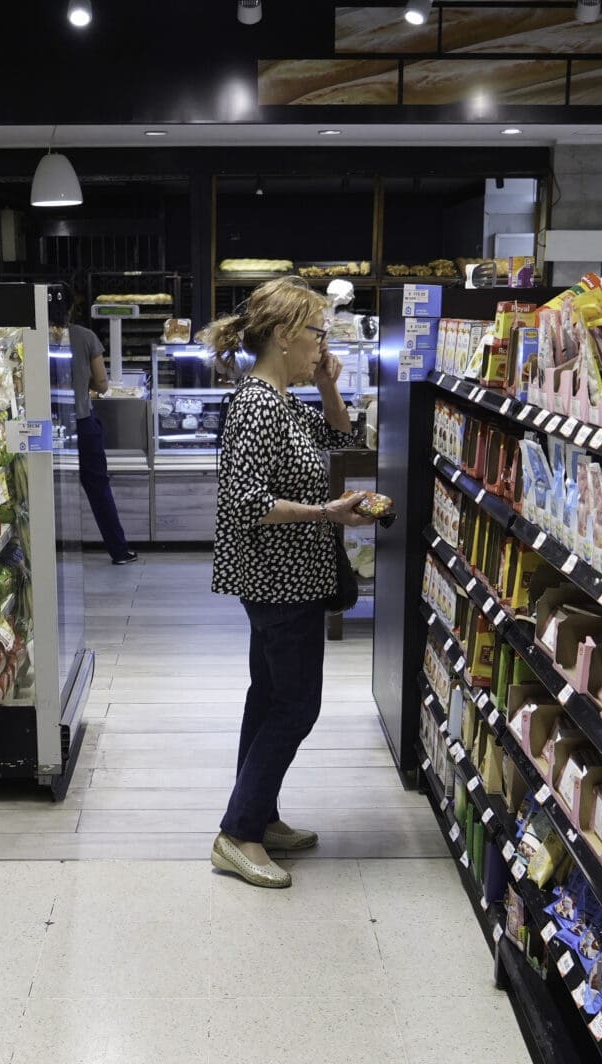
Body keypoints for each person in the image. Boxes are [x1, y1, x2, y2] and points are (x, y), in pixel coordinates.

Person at [201, 277, 373, 889]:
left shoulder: (283, 400)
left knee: (270, 696)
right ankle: (238, 833)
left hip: (291, 575)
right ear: (282, 336)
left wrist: (327, 384)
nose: (323, 345)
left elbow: (343, 438)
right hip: (278, 580)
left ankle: (260, 816)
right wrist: (327, 513)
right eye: (317, 334)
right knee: (297, 705)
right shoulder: (256, 404)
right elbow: (245, 502)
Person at [59, 290, 136, 565]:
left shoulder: (31, 338)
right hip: (81, 423)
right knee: (98, 488)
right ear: (71, 309)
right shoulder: (85, 336)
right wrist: (84, 382)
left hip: (45, 429)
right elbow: (102, 384)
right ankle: (118, 550)